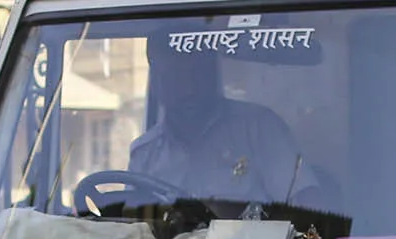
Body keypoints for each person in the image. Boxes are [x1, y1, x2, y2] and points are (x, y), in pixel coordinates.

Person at [126, 48, 306, 208]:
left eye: (197, 75)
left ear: (214, 77)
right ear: (157, 86)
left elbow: (305, 203)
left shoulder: (259, 129)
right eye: (175, 78)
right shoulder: (144, 154)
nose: (189, 89)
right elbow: (130, 226)